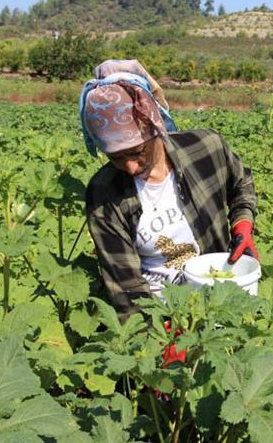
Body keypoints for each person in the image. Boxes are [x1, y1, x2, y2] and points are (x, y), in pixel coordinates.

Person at [80, 61, 258, 320]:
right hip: (158, 314)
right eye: (115, 157)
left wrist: (242, 224)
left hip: (217, 299)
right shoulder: (104, 193)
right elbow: (126, 289)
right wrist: (159, 338)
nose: (129, 167)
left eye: (136, 152)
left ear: (156, 126)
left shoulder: (206, 148)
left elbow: (241, 184)